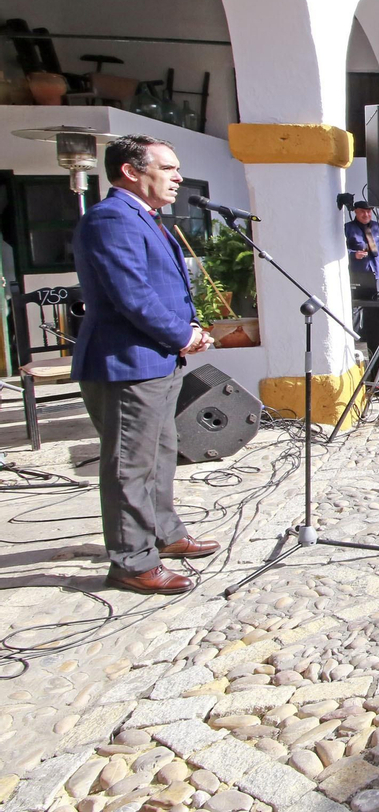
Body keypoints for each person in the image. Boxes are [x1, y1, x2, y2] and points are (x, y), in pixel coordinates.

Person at [73, 135, 217, 595]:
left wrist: (190, 328)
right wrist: (184, 335)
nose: (178, 177)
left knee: (159, 454)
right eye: (169, 168)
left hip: (156, 359)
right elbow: (132, 295)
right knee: (129, 466)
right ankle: (132, 560)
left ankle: (165, 534)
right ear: (132, 171)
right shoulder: (111, 218)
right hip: (126, 363)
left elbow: (165, 287)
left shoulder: (144, 216)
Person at [345, 200, 379, 284]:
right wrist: (354, 255)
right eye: (362, 212)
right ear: (355, 211)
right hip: (358, 272)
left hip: (376, 270)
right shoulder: (348, 228)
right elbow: (339, 250)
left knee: (375, 296)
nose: (366, 215)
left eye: (368, 212)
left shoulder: (378, 226)